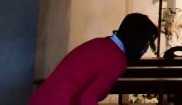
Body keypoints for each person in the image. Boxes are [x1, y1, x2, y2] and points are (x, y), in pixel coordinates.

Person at [29, 13, 158, 105]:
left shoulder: (101, 43)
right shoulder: (116, 59)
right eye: (146, 43)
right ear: (137, 40)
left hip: (42, 98)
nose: (145, 49)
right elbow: (87, 98)